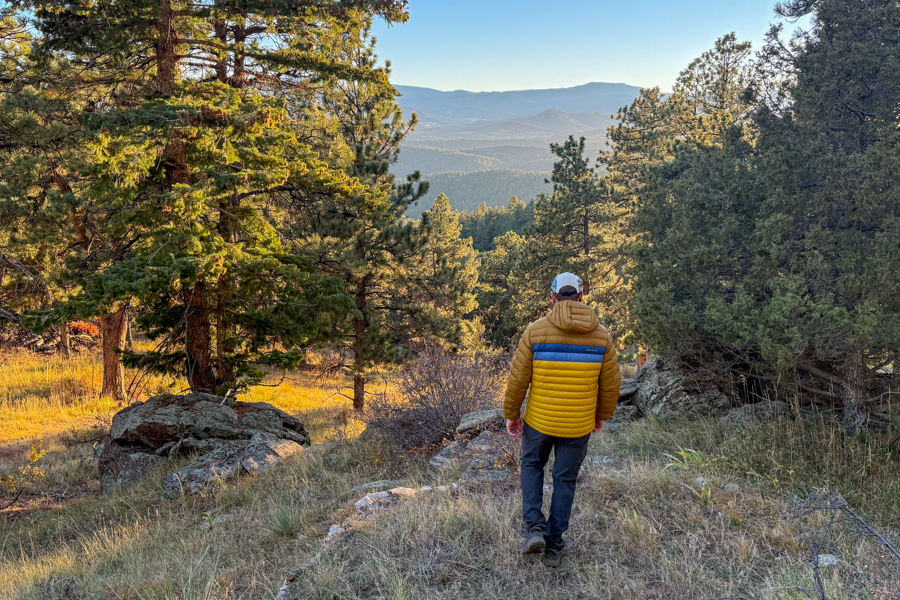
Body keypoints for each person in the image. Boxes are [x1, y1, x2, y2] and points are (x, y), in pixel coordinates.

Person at [504, 272, 621, 568]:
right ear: (581, 297)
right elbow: (610, 385)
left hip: (539, 422)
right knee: (565, 479)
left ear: (553, 298)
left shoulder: (535, 331)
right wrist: (601, 416)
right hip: (578, 425)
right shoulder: (602, 336)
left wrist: (512, 414)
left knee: (532, 465)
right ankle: (554, 545)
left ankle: (534, 528)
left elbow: (518, 381)